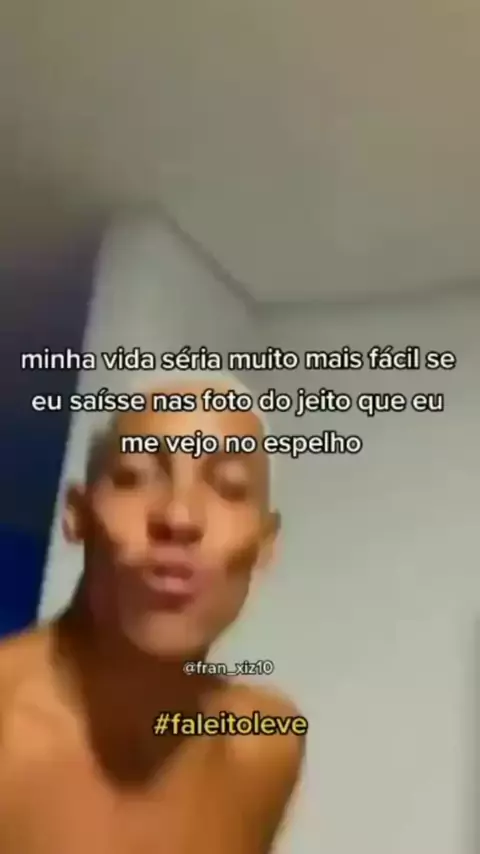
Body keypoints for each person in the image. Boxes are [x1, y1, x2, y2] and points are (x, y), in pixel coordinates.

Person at [0, 371, 305, 853]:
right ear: (78, 515)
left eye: (228, 487)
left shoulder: (263, 748)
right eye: (135, 477)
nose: (179, 518)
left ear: (266, 545)